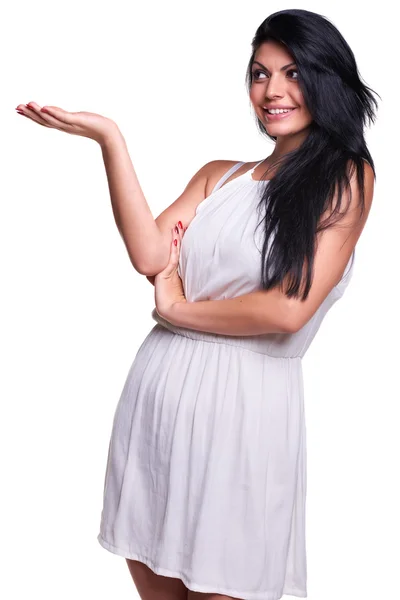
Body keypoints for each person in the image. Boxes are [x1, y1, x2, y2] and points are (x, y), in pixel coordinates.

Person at [16, 8, 378, 600]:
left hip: (244, 414)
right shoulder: (220, 176)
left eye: (294, 73)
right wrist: (110, 137)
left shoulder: (348, 177)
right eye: (260, 74)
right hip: (158, 400)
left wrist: (178, 310)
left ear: (328, 79)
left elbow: (287, 310)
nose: (273, 91)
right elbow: (150, 254)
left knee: (226, 585)